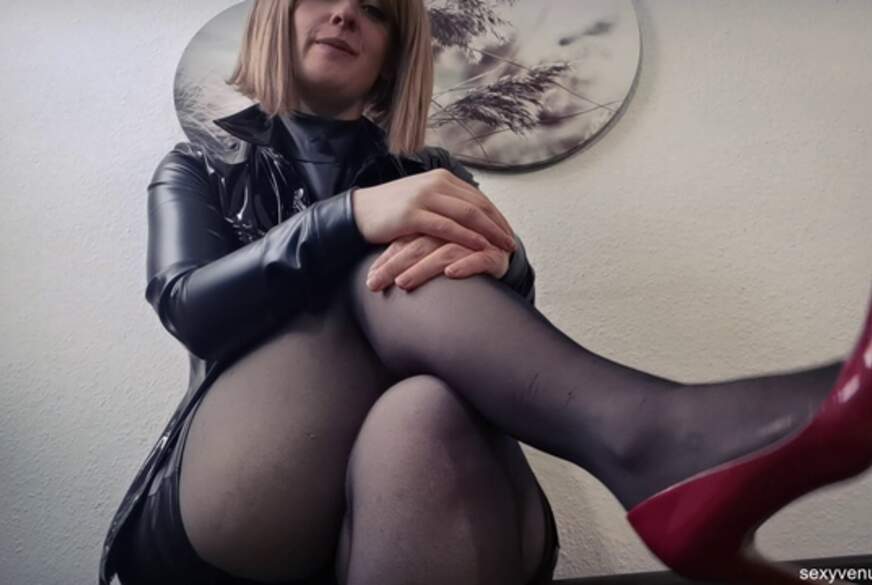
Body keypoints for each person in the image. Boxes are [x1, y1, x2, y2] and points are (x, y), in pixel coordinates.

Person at [101, 1, 872, 584]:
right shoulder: (200, 164)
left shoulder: (434, 176)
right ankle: (652, 439)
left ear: (394, 55)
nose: (345, 13)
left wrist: (507, 270)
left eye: (376, 9)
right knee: (378, 257)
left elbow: (497, 362)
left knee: (429, 400)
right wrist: (350, 216)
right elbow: (187, 306)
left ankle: (656, 445)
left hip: (416, 482)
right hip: (241, 497)